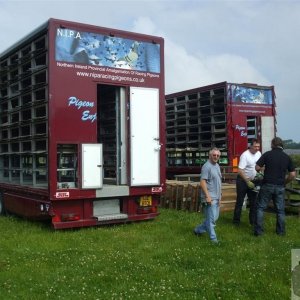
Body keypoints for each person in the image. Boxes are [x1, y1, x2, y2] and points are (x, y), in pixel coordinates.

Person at [254, 137, 295, 236]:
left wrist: (261, 170)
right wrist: (285, 182)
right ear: (281, 145)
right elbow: (293, 174)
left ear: (273, 144)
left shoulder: (267, 154)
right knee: (280, 210)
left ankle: (259, 232)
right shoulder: (287, 157)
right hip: (280, 186)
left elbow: (257, 167)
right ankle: (280, 232)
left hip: (267, 184)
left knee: (260, 208)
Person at [194, 147, 222, 243]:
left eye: (218, 155)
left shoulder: (217, 166)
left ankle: (198, 230)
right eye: (214, 155)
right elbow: (202, 182)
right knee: (211, 220)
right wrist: (207, 196)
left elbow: (218, 182)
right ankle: (213, 240)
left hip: (216, 197)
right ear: (210, 155)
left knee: (214, 218)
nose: (216, 157)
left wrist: (220, 197)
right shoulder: (207, 166)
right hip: (210, 197)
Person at [233, 139, 261, 226]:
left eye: (258, 146)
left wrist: (260, 174)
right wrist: (247, 181)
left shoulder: (259, 154)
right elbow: (240, 170)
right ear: (251, 146)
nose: (257, 148)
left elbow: (259, 166)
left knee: (253, 202)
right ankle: (236, 221)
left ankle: (252, 222)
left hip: (253, 181)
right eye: (255, 146)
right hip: (242, 180)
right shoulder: (245, 155)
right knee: (240, 201)